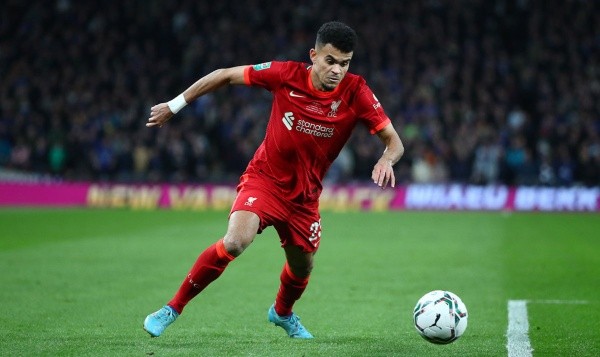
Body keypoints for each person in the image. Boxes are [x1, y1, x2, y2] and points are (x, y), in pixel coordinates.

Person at [143, 21, 404, 339]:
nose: (337, 70)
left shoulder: (356, 92)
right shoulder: (285, 75)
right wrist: (174, 105)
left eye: (345, 63)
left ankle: (282, 313)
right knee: (236, 241)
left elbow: (395, 142)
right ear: (314, 55)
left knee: (302, 267)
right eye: (330, 61)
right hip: (264, 181)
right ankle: (172, 308)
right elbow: (225, 74)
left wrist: (385, 159)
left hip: (305, 198)